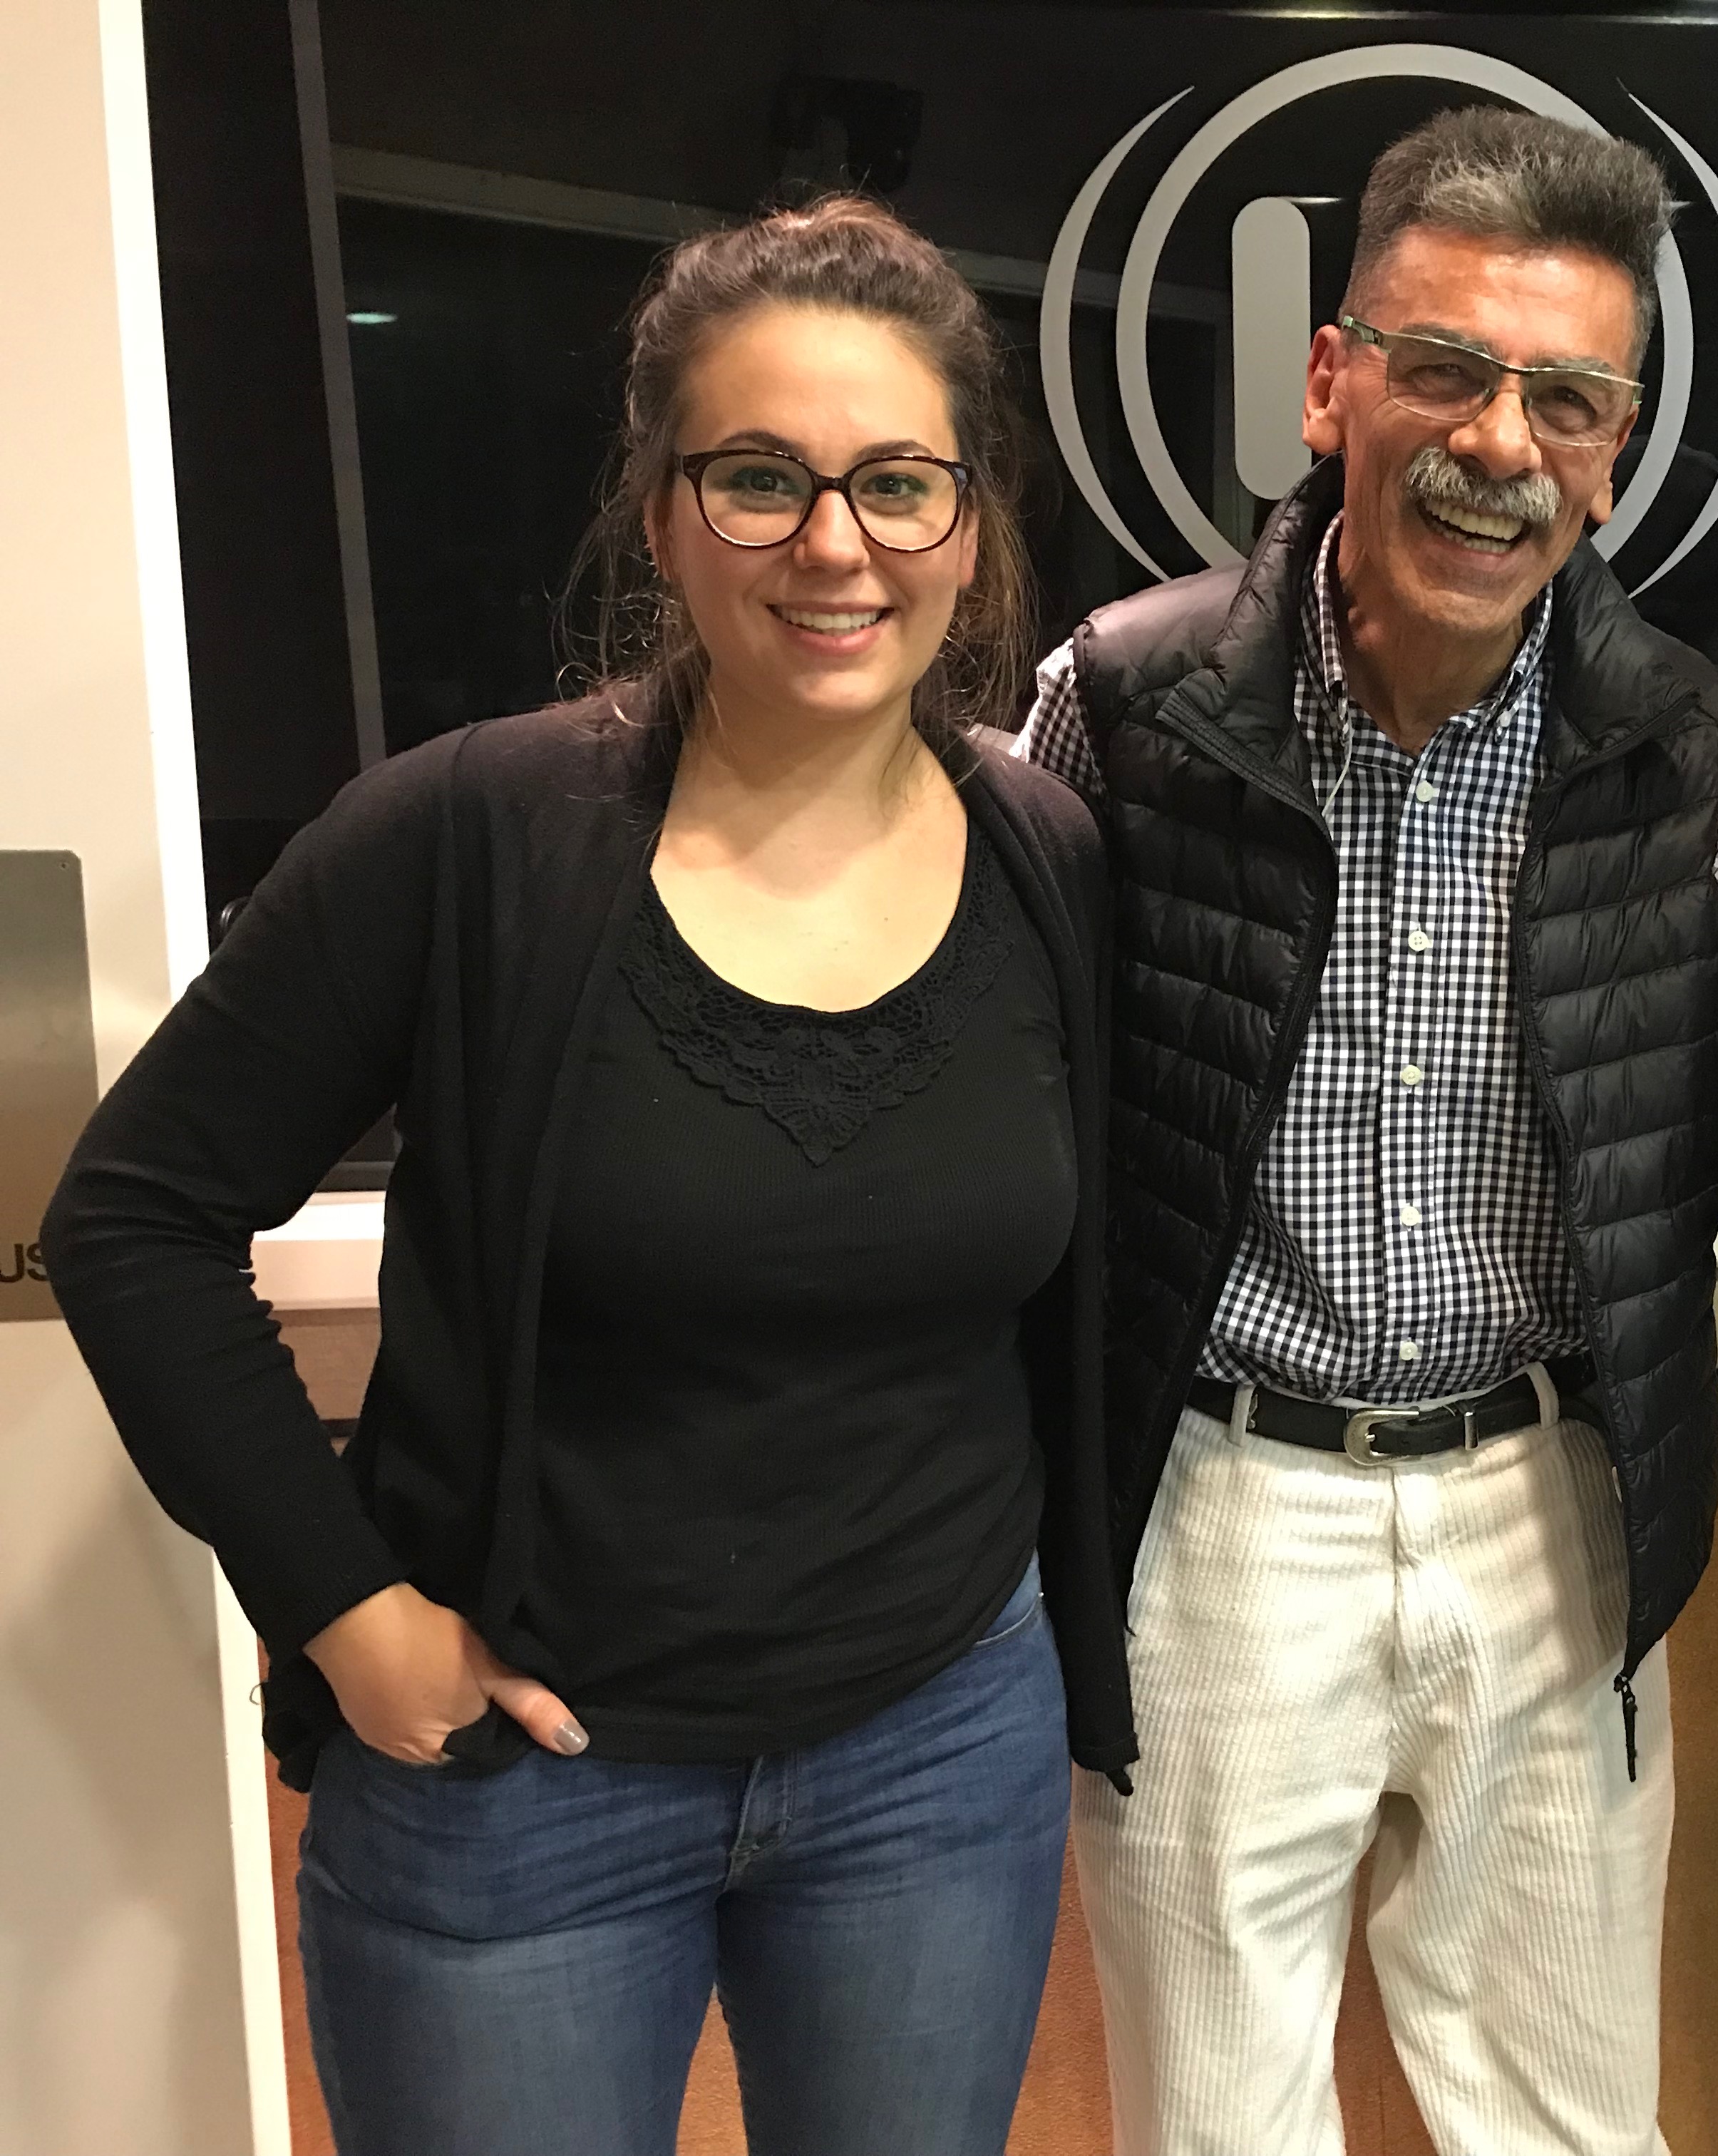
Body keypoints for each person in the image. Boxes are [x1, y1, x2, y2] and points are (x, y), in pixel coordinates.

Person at [43, 197, 1131, 2156]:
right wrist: (341, 1606)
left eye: (897, 484)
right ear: (660, 511)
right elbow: (132, 1218)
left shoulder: (1044, 853)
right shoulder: (472, 837)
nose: (834, 544)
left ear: (965, 526)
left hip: (933, 1752)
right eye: (760, 479)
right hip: (521, 1787)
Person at [1014, 107, 1718, 2156]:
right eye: (1445, 368)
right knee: (1217, 2126)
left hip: (1553, 1500)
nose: (1499, 440)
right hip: (1215, 1503)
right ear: (1331, 380)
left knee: (1564, 2127)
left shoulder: (1686, 743)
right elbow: (998, 1100)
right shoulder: (1122, 701)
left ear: (1616, 445)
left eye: (1567, 396)